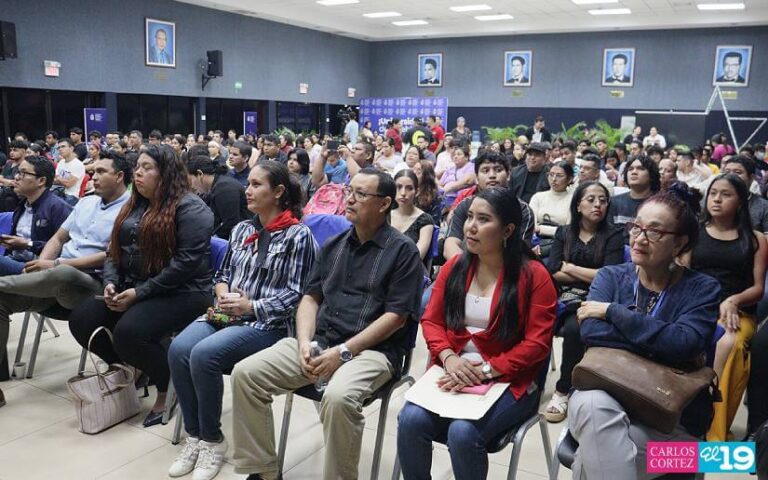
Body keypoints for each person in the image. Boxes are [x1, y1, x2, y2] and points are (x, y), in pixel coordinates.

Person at [230, 168, 423, 480]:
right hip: (322, 341)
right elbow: (309, 299)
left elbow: (396, 318)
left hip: (373, 351)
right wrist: (304, 341)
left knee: (337, 398)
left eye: (361, 194)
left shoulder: (403, 252)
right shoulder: (333, 245)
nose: (350, 199)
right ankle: (264, 472)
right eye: (350, 191)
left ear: (385, 204)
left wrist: (342, 353)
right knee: (246, 375)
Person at [167, 162, 317, 480]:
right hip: (228, 313)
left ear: (278, 193)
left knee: (204, 355)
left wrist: (251, 306)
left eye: (256, 185)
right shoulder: (242, 230)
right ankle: (194, 436)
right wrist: (223, 294)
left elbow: (298, 295)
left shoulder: (298, 236)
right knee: (179, 348)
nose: (246, 190)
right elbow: (221, 276)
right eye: (247, 183)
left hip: (270, 325)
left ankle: (212, 440)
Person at [397, 186, 557, 480]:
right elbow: (431, 321)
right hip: (454, 371)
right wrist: (448, 357)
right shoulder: (456, 266)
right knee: (410, 419)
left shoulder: (534, 276)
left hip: (510, 379)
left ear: (508, 230)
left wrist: (486, 370)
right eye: (470, 216)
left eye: (484, 219)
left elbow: (536, 345)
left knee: (462, 431)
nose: (471, 226)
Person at [570, 183, 721, 479]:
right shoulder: (610, 277)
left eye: (655, 231)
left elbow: (684, 343)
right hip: (605, 389)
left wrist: (613, 312)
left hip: (670, 416)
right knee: (592, 404)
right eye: (636, 227)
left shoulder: (702, 288)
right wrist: (660, 341)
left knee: (591, 456)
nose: (639, 238)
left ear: (679, 244)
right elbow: (591, 332)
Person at [68, 145, 214, 428]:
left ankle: (167, 384)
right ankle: (137, 367)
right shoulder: (135, 203)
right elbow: (114, 252)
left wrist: (138, 294)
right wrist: (110, 283)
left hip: (184, 291)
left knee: (128, 332)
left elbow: (185, 264)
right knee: (82, 319)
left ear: (167, 173)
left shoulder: (191, 208)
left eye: (148, 168)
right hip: (137, 286)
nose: (139, 173)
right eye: (138, 167)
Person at [0, 154, 131, 379]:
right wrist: (44, 264)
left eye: (101, 172)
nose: (93, 177)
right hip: (55, 280)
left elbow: (110, 255)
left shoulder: (130, 210)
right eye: (94, 171)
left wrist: (55, 263)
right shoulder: (87, 201)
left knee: (63, 271)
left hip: (91, 283)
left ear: (119, 177)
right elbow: (59, 238)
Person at [681, 174, 766, 441]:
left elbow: (757, 288)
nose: (716, 199)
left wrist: (733, 300)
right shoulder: (694, 232)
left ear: (741, 202)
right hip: (697, 306)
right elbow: (681, 273)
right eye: (713, 193)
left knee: (731, 345)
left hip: (737, 311)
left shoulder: (755, 239)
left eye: (725, 194)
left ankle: (713, 433)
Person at [543, 181, 624, 423]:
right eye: (591, 199)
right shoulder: (563, 233)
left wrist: (572, 267)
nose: (598, 204)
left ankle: (563, 388)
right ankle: (529, 385)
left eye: (602, 200)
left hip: (599, 297)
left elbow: (610, 274)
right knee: (532, 319)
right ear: (578, 205)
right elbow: (553, 270)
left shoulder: (614, 234)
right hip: (564, 296)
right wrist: (587, 272)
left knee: (575, 327)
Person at [444, 152, 536, 259]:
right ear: (477, 178)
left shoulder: (523, 210)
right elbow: (450, 246)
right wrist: (470, 271)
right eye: (485, 170)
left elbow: (519, 252)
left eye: (498, 170)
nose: (492, 175)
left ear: (508, 175)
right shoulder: (465, 205)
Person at [0, 156, 72, 276]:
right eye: (18, 172)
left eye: (23, 173)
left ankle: (26, 273)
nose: (16, 177)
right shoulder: (23, 205)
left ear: (41, 181)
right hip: (15, 261)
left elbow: (65, 249)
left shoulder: (58, 207)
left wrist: (27, 244)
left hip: (40, 266)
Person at [187, 156, 250, 240]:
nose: (192, 186)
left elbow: (230, 224)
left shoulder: (224, 188)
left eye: (191, 180)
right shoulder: (217, 185)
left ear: (200, 174)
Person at [609, 155, 661, 238]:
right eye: (630, 169)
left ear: (651, 175)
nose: (634, 172)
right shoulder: (614, 202)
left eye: (640, 168)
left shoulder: (661, 204)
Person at [391, 170, 435, 261]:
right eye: (398, 187)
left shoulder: (425, 220)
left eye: (409, 188)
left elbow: (418, 257)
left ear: (417, 191)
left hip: (409, 271)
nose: (403, 193)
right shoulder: (384, 215)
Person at [721, 155, 768, 235]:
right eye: (727, 172)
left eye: (737, 172)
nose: (731, 176)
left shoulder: (764, 207)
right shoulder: (714, 201)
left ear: (751, 177)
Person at [529, 161, 574, 241]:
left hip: (562, 243)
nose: (553, 179)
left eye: (559, 176)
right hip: (536, 242)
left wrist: (541, 229)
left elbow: (569, 231)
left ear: (569, 179)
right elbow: (531, 226)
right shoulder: (538, 197)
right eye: (551, 174)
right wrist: (557, 230)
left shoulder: (573, 199)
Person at [439, 142, 476, 208]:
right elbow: (441, 184)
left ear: (466, 157)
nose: (455, 156)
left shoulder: (471, 167)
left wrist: (444, 191)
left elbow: (465, 182)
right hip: (445, 197)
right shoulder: (450, 169)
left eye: (459, 154)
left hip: (461, 199)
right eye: (454, 155)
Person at [413, 160, 442, 224]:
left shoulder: (434, 194)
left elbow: (434, 220)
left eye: (418, 171)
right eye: (413, 169)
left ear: (426, 175)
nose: (414, 173)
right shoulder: (409, 189)